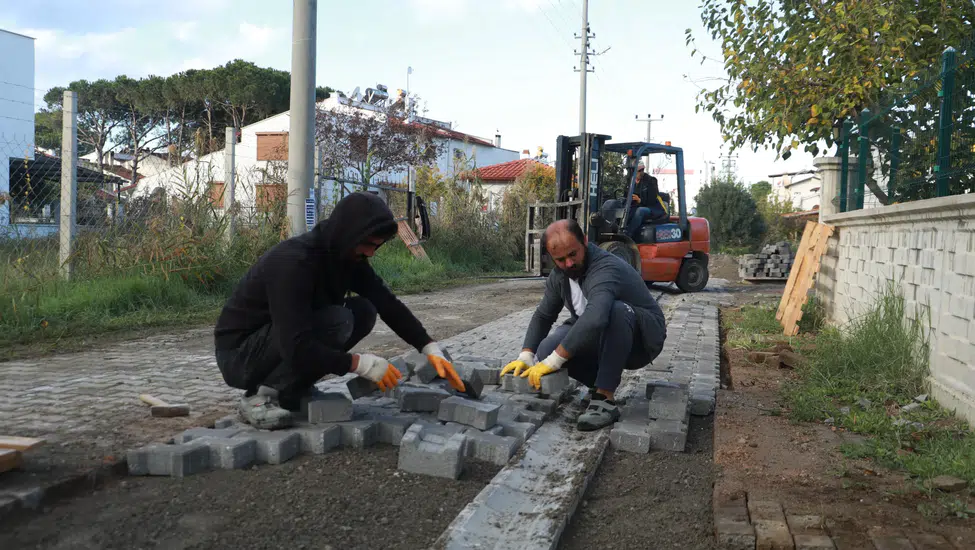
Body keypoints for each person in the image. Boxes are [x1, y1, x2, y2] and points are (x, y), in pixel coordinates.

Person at [213, 192, 465, 430]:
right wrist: (357, 364)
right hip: (239, 355)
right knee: (338, 320)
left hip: (281, 340)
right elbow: (295, 343)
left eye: (376, 247)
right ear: (347, 233)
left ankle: (293, 389)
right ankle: (258, 397)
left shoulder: (348, 258)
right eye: (366, 244)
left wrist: (429, 347)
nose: (370, 253)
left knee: (364, 311)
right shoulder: (294, 262)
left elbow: (388, 304)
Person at [500, 219, 667, 431]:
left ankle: (604, 398)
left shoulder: (605, 267)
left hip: (641, 339)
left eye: (573, 254)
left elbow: (596, 317)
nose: (568, 263)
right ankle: (597, 382)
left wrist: (554, 361)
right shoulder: (560, 275)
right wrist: (526, 355)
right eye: (560, 259)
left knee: (614, 310)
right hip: (604, 334)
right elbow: (543, 315)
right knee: (546, 349)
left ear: (585, 242)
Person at [625, 162, 669, 239]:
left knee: (640, 211)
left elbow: (652, 199)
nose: (634, 174)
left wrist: (640, 200)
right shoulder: (631, 181)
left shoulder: (651, 181)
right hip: (636, 205)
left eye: (638, 171)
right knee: (623, 209)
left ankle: (628, 235)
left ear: (642, 171)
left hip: (653, 208)